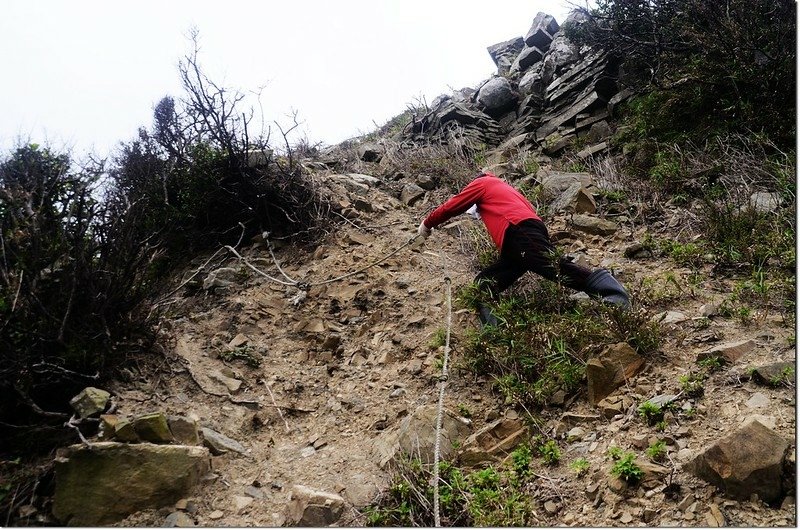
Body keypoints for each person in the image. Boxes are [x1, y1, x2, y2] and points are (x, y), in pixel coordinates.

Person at [417, 171, 629, 326]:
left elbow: (454, 204)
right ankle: (495, 328)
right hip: (518, 237)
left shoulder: (483, 183)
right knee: (485, 283)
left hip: (518, 230)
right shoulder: (506, 189)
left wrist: (427, 224)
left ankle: (613, 293)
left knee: (552, 267)